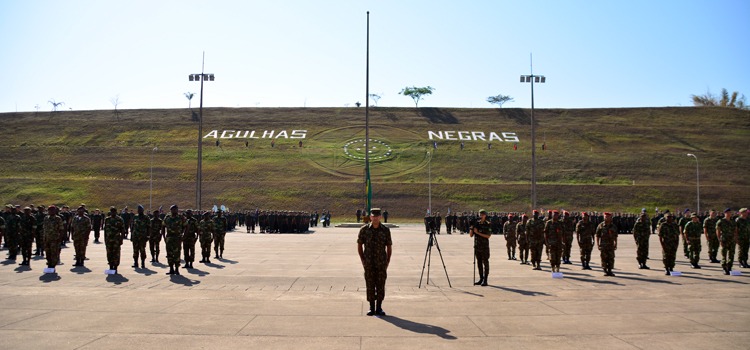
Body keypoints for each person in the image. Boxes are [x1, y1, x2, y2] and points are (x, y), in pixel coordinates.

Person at [357, 208, 392, 316]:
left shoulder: (385, 230)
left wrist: (387, 261)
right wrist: (363, 260)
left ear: (380, 217)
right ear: (370, 217)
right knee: (370, 285)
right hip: (369, 263)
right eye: (373, 216)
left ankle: (379, 307)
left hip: (381, 263)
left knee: (381, 285)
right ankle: (371, 307)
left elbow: (389, 247)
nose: (375, 218)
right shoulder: (364, 230)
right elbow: (359, 245)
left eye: (377, 216)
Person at [470, 209, 492, 286]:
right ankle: (481, 278)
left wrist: (478, 233)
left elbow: (488, 236)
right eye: (480, 214)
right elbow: (471, 235)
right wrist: (472, 227)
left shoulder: (487, 224)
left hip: (484, 247)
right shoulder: (477, 224)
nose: (481, 216)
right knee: (479, 263)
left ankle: (485, 279)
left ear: (485, 215)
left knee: (485, 263)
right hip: (477, 247)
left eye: (482, 214)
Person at [163, 205, 184, 275]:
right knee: (169, 254)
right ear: (170, 210)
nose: (175, 211)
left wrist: (183, 235)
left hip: (177, 238)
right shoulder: (167, 217)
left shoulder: (181, 217)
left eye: (176, 209)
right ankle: (171, 268)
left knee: (177, 254)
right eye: (173, 209)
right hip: (169, 238)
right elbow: (163, 226)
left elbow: (187, 226)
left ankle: (177, 269)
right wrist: (163, 236)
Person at [595, 212, 618, 276]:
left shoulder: (613, 226)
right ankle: (605, 270)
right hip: (603, 245)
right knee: (604, 258)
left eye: (608, 217)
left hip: (611, 245)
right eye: (605, 217)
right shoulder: (600, 226)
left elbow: (615, 236)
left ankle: (610, 270)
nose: (606, 218)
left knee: (611, 257)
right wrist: (598, 244)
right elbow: (597, 236)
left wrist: (616, 244)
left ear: (611, 218)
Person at [716, 208, 737, 275]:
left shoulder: (733, 221)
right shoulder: (721, 221)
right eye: (727, 213)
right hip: (724, 240)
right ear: (724, 213)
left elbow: (735, 231)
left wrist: (735, 238)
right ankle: (724, 268)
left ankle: (729, 267)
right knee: (724, 255)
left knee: (731, 254)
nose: (729, 214)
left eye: (730, 213)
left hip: (732, 240)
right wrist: (719, 239)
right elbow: (718, 231)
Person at [104, 207, 125, 273]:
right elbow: (105, 230)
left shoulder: (119, 219)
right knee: (109, 253)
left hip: (116, 239)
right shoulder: (107, 219)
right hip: (108, 239)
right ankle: (110, 266)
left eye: (114, 211)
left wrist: (121, 239)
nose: (113, 213)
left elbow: (122, 230)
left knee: (116, 253)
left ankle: (115, 267)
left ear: (116, 212)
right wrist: (105, 239)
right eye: (111, 211)